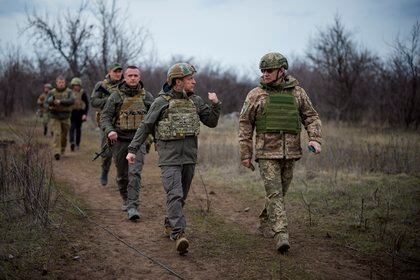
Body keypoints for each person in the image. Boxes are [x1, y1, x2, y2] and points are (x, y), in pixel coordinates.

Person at [126, 63, 221, 255]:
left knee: (181, 196)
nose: (194, 81)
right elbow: (145, 126)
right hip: (169, 158)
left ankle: (170, 224)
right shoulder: (161, 102)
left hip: (189, 158)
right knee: (175, 194)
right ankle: (179, 234)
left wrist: (215, 105)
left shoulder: (195, 100)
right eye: (189, 79)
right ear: (178, 81)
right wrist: (132, 149)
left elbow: (211, 122)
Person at [238, 52, 322, 253]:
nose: (265, 74)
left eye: (269, 70)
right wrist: (245, 154)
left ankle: (265, 220)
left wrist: (315, 138)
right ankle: (281, 234)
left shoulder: (298, 93)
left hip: (291, 153)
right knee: (274, 193)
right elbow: (244, 125)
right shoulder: (255, 95)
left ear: (281, 71)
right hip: (266, 154)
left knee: (280, 193)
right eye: (263, 70)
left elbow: (311, 116)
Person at [100, 66, 154, 220]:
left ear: (139, 77)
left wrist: (154, 137)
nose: (133, 78)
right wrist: (110, 130)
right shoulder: (116, 96)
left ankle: (133, 206)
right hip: (120, 141)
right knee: (122, 176)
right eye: (129, 75)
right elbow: (105, 117)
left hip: (139, 142)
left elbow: (155, 118)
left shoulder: (146, 96)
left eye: (135, 75)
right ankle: (126, 199)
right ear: (124, 77)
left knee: (134, 173)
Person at [91, 63, 123, 186]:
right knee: (107, 152)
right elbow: (94, 101)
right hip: (106, 122)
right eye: (115, 71)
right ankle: (104, 171)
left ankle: (121, 178)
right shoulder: (101, 85)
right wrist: (109, 100)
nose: (117, 74)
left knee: (121, 152)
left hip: (121, 123)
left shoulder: (123, 85)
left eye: (119, 72)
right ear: (109, 71)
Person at [45, 75, 75, 160]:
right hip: (55, 117)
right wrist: (49, 107)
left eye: (62, 82)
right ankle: (56, 152)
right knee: (56, 134)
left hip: (66, 117)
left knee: (64, 136)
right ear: (56, 83)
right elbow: (45, 103)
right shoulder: (51, 92)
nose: (61, 84)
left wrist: (60, 102)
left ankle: (62, 149)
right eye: (59, 82)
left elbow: (72, 101)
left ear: (65, 83)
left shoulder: (69, 92)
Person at [69, 77, 89, 151]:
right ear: (72, 86)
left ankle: (77, 144)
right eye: (75, 85)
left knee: (78, 129)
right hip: (72, 113)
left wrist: (85, 114)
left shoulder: (83, 93)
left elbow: (86, 104)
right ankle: (72, 142)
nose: (76, 87)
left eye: (78, 85)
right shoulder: (70, 92)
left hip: (80, 113)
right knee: (71, 128)